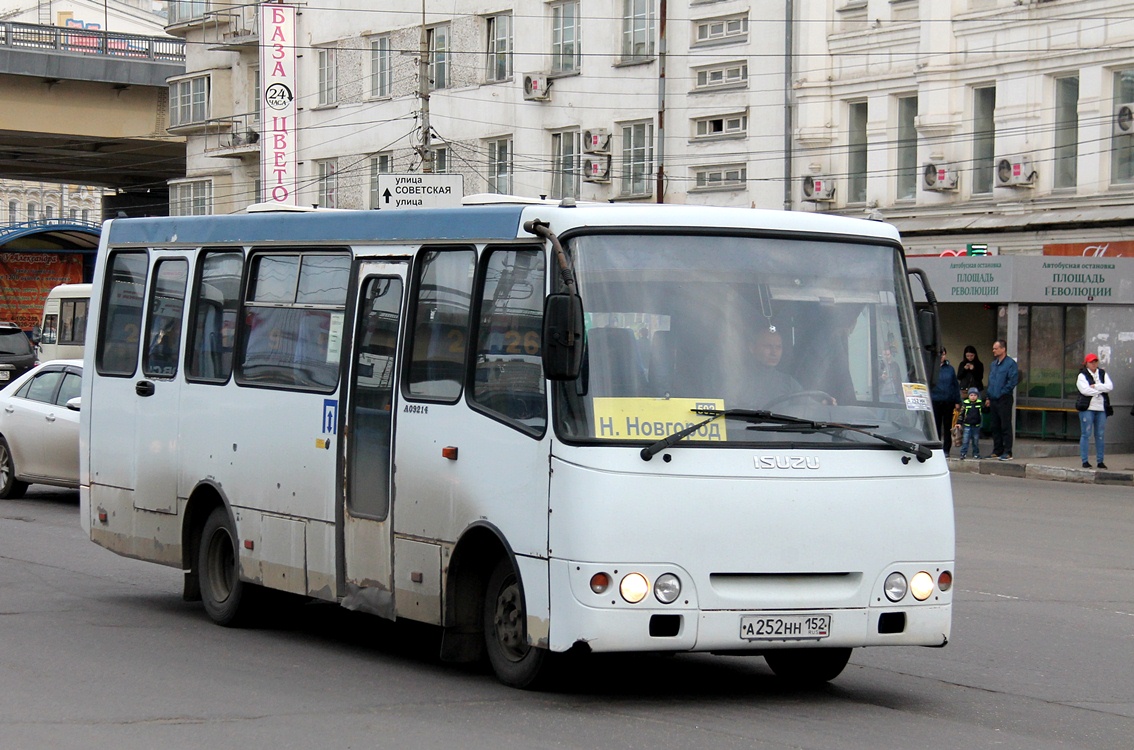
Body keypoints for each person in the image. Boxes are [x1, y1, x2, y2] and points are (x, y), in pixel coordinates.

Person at [733, 327, 804, 408]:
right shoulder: (736, 380)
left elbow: (809, 407)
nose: (774, 352)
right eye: (768, 346)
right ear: (752, 348)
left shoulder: (789, 383)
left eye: (778, 347)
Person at [1075, 353, 1114, 469]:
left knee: (1100, 435)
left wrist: (1096, 386)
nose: (1094, 364)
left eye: (1095, 361)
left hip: (1101, 408)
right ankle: (1085, 460)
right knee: (1086, 434)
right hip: (1088, 407)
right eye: (1091, 362)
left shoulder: (1102, 373)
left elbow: (1110, 386)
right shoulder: (1082, 375)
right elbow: (1085, 390)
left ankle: (1100, 460)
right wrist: (1101, 389)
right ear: (1086, 363)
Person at [985, 339, 1019, 461]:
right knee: (995, 426)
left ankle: (1008, 451)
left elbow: (1013, 380)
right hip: (993, 398)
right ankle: (997, 450)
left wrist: (1002, 392)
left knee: (1005, 425)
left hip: (1004, 398)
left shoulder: (1010, 364)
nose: (993, 350)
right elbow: (991, 381)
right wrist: (989, 396)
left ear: (1003, 349)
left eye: (996, 348)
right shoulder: (993, 364)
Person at [930, 348, 961, 457]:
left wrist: (957, 401)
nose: (942, 357)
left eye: (943, 354)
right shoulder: (931, 368)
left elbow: (955, 386)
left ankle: (946, 449)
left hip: (948, 401)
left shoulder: (950, 369)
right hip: (935, 400)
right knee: (936, 425)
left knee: (948, 426)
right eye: (940, 355)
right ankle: (936, 447)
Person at [958, 387, 984, 459]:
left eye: (975, 395)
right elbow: (961, 414)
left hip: (976, 426)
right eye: (971, 395)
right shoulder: (965, 404)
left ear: (977, 396)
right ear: (968, 396)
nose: (973, 397)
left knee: (975, 441)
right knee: (965, 441)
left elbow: (984, 411)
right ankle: (963, 453)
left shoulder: (979, 404)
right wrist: (959, 423)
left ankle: (976, 454)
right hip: (967, 425)